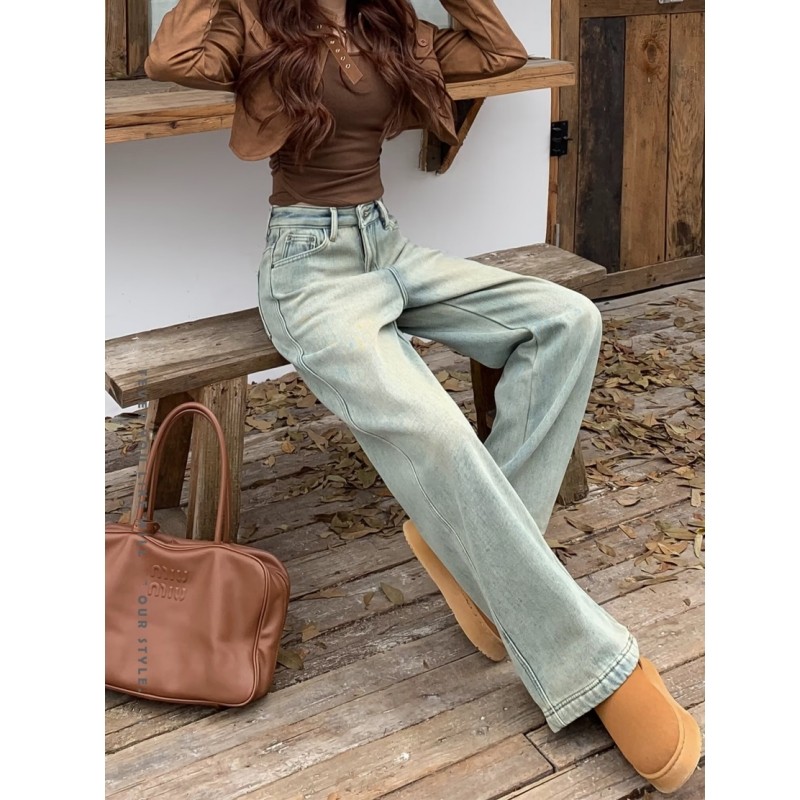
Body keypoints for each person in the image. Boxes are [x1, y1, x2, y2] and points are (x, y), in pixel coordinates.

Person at [145, 0, 701, 793]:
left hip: (388, 247)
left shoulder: (389, 26)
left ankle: (472, 566)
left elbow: (499, 52)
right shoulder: (257, 22)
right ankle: (597, 671)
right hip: (309, 273)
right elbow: (172, 60)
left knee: (567, 320)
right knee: (437, 432)